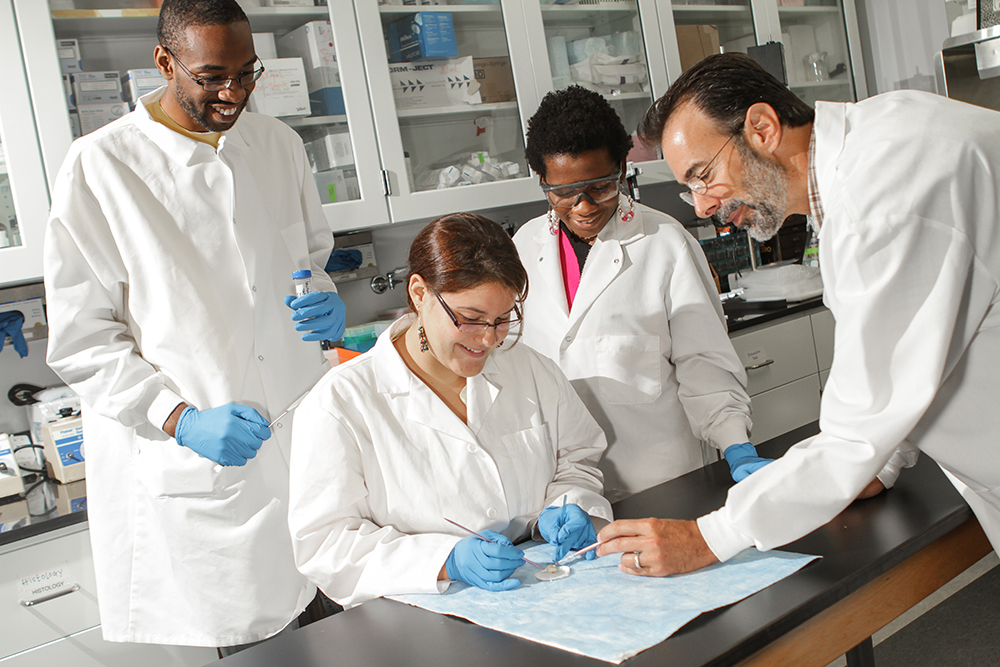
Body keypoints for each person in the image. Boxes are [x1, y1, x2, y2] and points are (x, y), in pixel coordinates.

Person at [596, 52, 1000, 576]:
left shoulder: (881, 195)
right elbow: (920, 351)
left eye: (703, 176)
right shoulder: (872, 149)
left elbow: (865, 414)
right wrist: (880, 459)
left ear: (762, 128)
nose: (701, 207)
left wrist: (710, 536)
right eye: (689, 188)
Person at [43, 0, 345, 649]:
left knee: (363, 641)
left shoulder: (277, 145)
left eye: (246, 72)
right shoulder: (101, 167)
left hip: (310, 456)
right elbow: (82, 339)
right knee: (264, 648)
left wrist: (322, 298)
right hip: (205, 472)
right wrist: (179, 419)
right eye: (211, 77)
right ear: (164, 62)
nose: (233, 93)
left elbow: (306, 259)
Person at [288, 213, 612, 608]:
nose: (488, 339)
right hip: (418, 618)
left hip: (538, 598)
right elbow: (325, 543)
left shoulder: (529, 369)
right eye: (470, 319)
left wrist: (569, 504)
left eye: (502, 319)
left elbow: (576, 458)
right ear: (419, 293)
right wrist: (445, 561)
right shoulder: (340, 402)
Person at [513, 85, 761, 503]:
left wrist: (735, 443)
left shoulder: (666, 243)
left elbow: (704, 364)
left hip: (662, 482)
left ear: (623, 169)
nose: (583, 206)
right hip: (562, 491)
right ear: (543, 181)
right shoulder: (522, 248)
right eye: (564, 192)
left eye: (600, 187)